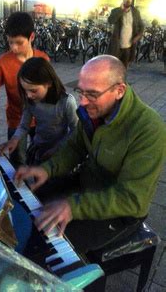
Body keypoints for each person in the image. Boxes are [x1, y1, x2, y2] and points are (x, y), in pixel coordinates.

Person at [15, 55, 166, 255]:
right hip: (87, 185)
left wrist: (72, 207)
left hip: (121, 211)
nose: (84, 102)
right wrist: (46, 169)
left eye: (92, 94)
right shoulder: (91, 112)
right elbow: (74, 148)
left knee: (48, 246)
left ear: (119, 91)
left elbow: (131, 199)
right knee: (28, 204)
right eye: (80, 92)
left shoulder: (148, 129)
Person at [0, 12, 49, 168]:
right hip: (16, 120)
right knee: (18, 162)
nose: (14, 47)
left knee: (41, 157)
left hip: (41, 121)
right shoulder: (3, 62)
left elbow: (51, 91)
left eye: (19, 43)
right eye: (10, 42)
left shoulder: (43, 59)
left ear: (31, 37)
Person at [0, 57, 78, 165]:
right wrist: (14, 139)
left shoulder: (66, 102)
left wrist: (56, 149)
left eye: (33, 90)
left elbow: (75, 130)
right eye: (25, 90)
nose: (28, 95)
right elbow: (24, 126)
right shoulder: (31, 101)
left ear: (48, 83)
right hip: (38, 149)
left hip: (59, 154)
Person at [108, 0, 144, 68]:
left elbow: (142, 26)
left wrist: (137, 37)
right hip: (117, 47)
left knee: (124, 69)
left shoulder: (136, 12)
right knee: (114, 69)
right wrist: (121, 10)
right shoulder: (115, 11)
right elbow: (110, 20)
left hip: (128, 47)